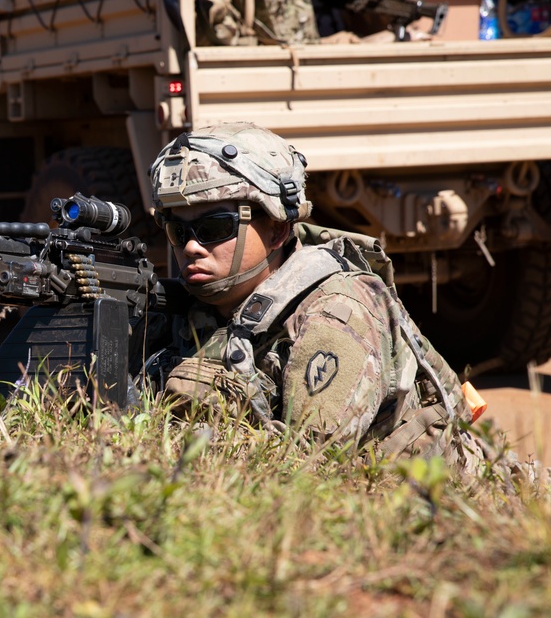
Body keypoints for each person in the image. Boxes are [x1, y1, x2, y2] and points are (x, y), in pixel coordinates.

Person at [145, 121, 540, 488]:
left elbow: (308, 471)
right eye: (178, 231)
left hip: (461, 503)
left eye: (214, 228)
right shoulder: (201, 306)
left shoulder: (335, 314)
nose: (191, 247)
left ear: (278, 228)